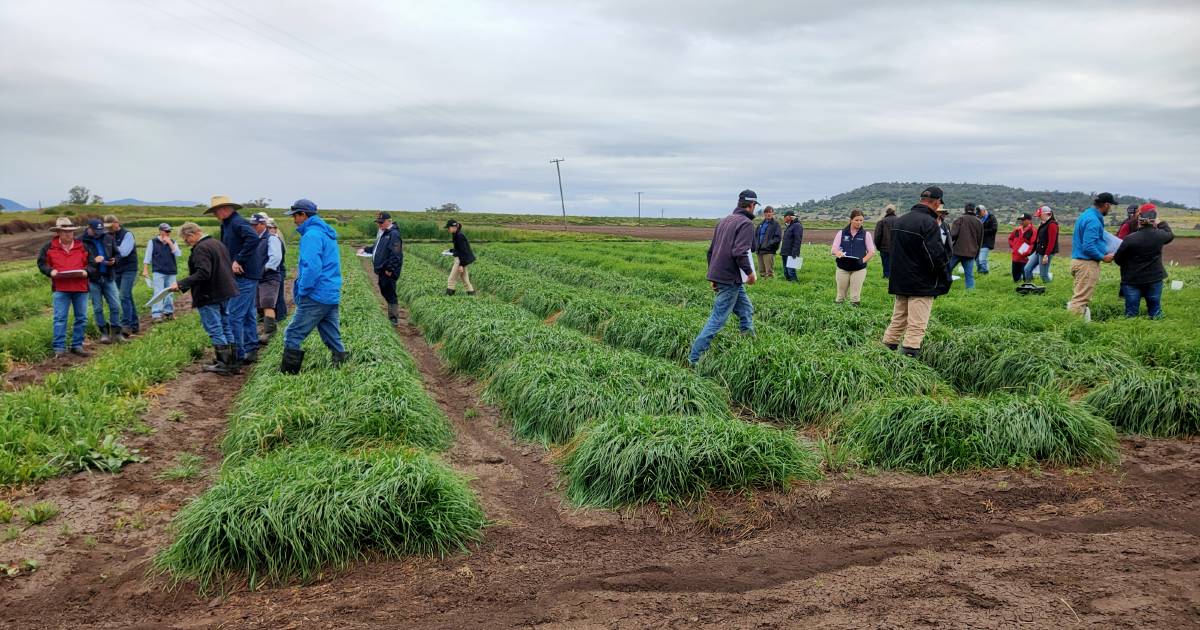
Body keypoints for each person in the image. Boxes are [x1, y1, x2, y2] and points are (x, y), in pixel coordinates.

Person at [688, 189, 759, 366]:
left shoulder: (724, 221)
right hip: (730, 278)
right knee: (717, 319)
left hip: (725, 276)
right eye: (755, 206)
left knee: (746, 309)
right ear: (752, 205)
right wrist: (750, 274)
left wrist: (713, 276)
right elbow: (740, 252)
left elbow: (711, 251)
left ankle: (749, 343)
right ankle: (693, 359)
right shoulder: (746, 224)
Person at [882, 186, 950, 357]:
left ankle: (882, 357)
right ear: (936, 202)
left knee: (897, 320)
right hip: (921, 283)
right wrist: (944, 277)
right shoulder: (928, 223)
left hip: (900, 280)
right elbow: (935, 256)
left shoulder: (900, 220)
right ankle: (908, 364)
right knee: (916, 326)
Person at [281, 199, 348, 374]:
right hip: (330, 292)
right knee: (330, 332)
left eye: (295, 216)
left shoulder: (311, 235)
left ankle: (287, 374)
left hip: (316, 294)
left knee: (293, 333)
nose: (294, 220)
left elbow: (312, 267)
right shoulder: (325, 233)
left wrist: (303, 289)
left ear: (303, 215)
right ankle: (341, 362)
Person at [171, 222, 240, 375]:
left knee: (215, 328)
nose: (186, 243)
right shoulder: (217, 243)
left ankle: (223, 364)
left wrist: (181, 284)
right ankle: (232, 362)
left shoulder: (201, 248)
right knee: (225, 326)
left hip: (209, 294)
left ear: (192, 235)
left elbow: (203, 273)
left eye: (186, 239)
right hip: (225, 291)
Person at [206, 195, 263, 364]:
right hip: (246, 275)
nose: (215, 215)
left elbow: (253, 239)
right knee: (247, 314)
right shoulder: (228, 224)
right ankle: (251, 349)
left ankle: (236, 356)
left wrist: (239, 259)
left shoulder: (238, 223)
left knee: (234, 316)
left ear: (224, 209)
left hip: (244, 275)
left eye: (216, 211)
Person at [36, 218, 94, 357]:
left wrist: (87, 271)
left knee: (81, 318)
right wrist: (50, 272)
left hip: (80, 287)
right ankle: (59, 348)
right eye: (65, 232)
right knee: (60, 318)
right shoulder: (48, 247)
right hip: (61, 288)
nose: (69, 234)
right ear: (58, 233)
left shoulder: (83, 246)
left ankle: (77, 345)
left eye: (71, 232)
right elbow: (42, 263)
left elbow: (92, 264)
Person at [1114, 208, 1173, 318]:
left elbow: (1118, 258)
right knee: (1155, 310)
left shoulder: (1130, 239)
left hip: (1132, 279)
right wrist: (1161, 223)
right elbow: (1170, 234)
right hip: (1154, 278)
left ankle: (1131, 331)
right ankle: (1155, 331)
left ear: (1139, 222)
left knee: (1131, 312)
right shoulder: (1160, 236)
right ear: (1154, 222)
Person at [1069, 192, 1118, 317]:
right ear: (1106, 205)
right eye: (1111, 205)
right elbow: (1088, 246)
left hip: (1078, 262)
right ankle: (1072, 328)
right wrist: (1103, 257)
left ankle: (1077, 324)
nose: (1111, 208)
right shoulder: (1093, 220)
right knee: (1080, 300)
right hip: (1086, 264)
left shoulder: (1086, 215)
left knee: (1079, 296)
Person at [79, 218, 121, 343]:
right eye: (96, 230)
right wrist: (94, 261)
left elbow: (117, 254)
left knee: (115, 306)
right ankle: (104, 333)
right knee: (98, 308)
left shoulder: (108, 238)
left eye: (100, 230)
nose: (99, 233)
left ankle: (116, 332)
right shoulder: (81, 242)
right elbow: (79, 261)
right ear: (89, 229)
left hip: (108, 276)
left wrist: (114, 260)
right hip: (93, 279)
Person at [360, 212, 404, 323]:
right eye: (378, 222)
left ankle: (393, 319)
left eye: (381, 222)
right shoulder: (384, 233)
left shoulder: (394, 234)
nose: (379, 225)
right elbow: (377, 248)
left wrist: (390, 269)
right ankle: (392, 314)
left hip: (387, 270)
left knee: (390, 293)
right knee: (385, 291)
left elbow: (396, 254)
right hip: (382, 270)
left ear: (389, 221)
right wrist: (365, 249)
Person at [103, 214, 139, 337]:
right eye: (107, 227)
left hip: (129, 268)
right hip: (116, 269)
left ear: (116, 223)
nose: (108, 229)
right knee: (126, 296)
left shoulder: (127, 234)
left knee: (123, 296)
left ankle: (126, 325)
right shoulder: (107, 235)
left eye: (110, 226)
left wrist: (108, 249)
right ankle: (134, 324)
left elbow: (124, 252)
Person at [831, 209, 876, 306]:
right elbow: (834, 248)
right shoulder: (841, 233)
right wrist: (838, 253)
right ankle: (838, 314)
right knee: (840, 295)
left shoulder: (866, 234)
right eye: (856, 220)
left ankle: (854, 315)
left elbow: (871, 251)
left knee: (855, 296)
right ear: (851, 220)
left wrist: (863, 261)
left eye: (861, 220)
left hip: (858, 269)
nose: (859, 222)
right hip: (843, 268)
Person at [250, 212, 284, 339]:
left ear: (263, 224)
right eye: (252, 224)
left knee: (267, 303)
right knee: (259, 304)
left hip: (269, 277)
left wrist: (264, 268)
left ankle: (270, 332)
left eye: (256, 224)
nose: (253, 227)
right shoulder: (255, 239)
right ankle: (264, 329)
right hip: (258, 277)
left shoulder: (272, 238)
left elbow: (276, 258)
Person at [141, 223, 181, 322]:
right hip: (158, 271)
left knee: (170, 292)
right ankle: (156, 314)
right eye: (166, 231)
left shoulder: (173, 242)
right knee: (158, 292)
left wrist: (170, 243)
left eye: (169, 231)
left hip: (171, 271)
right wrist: (145, 269)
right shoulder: (152, 242)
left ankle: (169, 312)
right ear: (161, 231)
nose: (168, 233)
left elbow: (178, 254)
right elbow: (147, 257)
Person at [949, 203, 983, 290]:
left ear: (965, 209)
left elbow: (953, 235)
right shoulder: (979, 222)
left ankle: (943, 287)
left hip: (957, 251)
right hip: (971, 253)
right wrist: (976, 254)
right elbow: (980, 240)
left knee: (947, 269)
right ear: (974, 210)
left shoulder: (960, 219)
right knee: (969, 275)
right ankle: (971, 292)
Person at [1025, 206, 1059, 283]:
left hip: (1045, 253)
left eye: (1040, 215)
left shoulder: (1052, 225)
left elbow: (1051, 241)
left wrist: (1046, 255)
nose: (1039, 217)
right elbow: (1038, 239)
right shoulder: (1044, 224)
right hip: (1039, 251)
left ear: (1047, 214)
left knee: (1043, 274)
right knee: (1027, 269)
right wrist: (1031, 252)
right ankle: (1028, 286)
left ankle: (1049, 290)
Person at [444, 219, 476, 296]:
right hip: (461, 259)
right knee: (465, 279)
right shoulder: (456, 234)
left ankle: (448, 297)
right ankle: (471, 294)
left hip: (460, 260)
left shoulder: (459, 236)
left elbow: (463, 251)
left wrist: (461, 265)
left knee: (451, 279)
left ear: (454, 227)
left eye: (448, 228)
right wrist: (450, 250)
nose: (448, 229)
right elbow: (459, 249)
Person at [267, 218, 288, 320]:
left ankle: (281, 317)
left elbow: (276, 258)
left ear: (274, 228)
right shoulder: (276, 239)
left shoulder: (275, 240)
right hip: (278, 269)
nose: (268, 230)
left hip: (277, 270)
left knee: (278, 296)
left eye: (269, 228)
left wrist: (266, 268)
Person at [753, 206, 781, 279]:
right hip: (759, 250)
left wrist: (768, 245)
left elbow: (777, 238)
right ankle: (763, 285)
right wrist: (756, 246)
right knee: (761, 271)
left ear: (773, 213)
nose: (768, 214)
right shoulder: (760, 225)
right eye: (766, 212)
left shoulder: (776, 225)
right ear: (764, 214)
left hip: (769, 251)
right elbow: (756, 236)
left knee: (769, 271)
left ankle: (770, 286)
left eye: (770, 212)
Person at [1008, 213, 1036, 282]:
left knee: (1026, 277)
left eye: (1023, 220)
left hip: (1025, 258)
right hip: (1015, 257)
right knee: (1015, 278)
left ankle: (1029, 287)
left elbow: (1033, 244)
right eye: (1021, 220)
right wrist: (1014, 246)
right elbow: (1010, 239)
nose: (1021, 222)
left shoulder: (1033, 231)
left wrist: (1026, 253)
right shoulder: (1017, 230)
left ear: (1029, 220)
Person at [779, 209, 803, 281]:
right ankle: (788, 285)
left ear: (789, 217)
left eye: (785, 217)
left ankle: (795, 285)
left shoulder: (797, 226)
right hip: (785, 252)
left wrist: (794, 253)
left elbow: (797, 241)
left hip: (791, 253)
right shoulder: (789, 226)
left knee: (791, 272)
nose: (784, 218)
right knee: (786, 272)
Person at [873, 205, 897, 278]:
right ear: (894, 211)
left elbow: (877, 236)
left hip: (884, 248)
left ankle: (886, 276)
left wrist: (878, 247)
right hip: (897, 247)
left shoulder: (881, 222)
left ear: (886, 211)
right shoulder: (900, 221)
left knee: (886, 263)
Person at [976, 204, 997, 274]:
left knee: (982, 260)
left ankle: (985, 273)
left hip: (987, 242)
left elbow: (994, 229)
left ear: (984, 211)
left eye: (979, 213)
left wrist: (982, 231)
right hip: (979, 242)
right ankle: (979, 273)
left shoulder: (991, 217)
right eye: (977, 213)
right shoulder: (978, 217)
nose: (978, 214)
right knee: (977, 260)